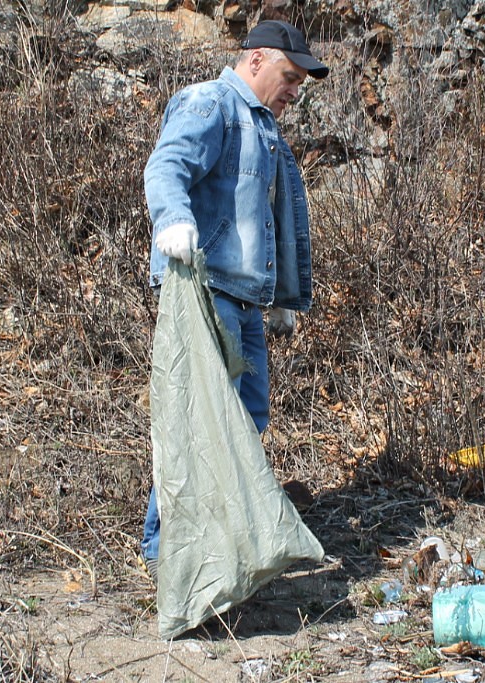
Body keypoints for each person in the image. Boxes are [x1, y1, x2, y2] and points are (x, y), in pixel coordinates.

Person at [140, 20, 329, 582]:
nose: (295, 89)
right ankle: (163, 547)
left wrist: (279, 297)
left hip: (243, 300)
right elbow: (165, 167)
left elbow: (264, 219)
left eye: (300, 81)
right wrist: (172, 220)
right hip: (207, 292)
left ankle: (218, 536)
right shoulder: (211, 103)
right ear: (256, 61)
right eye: (289, 76)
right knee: (201, 419)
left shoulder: (264, 128)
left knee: (247, 418)